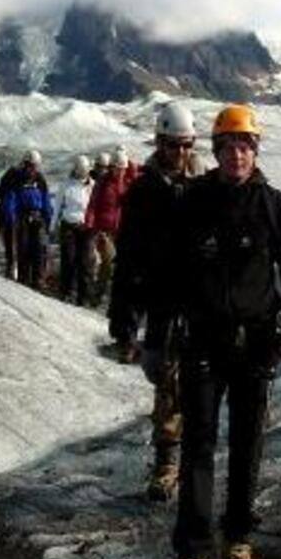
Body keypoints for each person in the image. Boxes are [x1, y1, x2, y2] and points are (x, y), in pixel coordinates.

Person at [149, 103, 281, 559]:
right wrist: (156, 340)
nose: (237, 156)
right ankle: (193, 554)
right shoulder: (192, 203)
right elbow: (168, 279)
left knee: (247, 444)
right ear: (216, 151)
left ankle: (239, 539)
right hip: (203, 342)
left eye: (245, 146)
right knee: (199, 445)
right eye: (228, 147)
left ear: (255, 151)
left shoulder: (276, 208)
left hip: (257, 345)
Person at [110, 102, 200, 502]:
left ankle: (194, 459)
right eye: (173, 145)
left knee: (201, 384)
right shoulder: (143, 192)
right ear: (159, 143)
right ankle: (167, 462)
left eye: (186, 145)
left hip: (202, 302)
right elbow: (128, 258)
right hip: (163, 301)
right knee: (166, 381)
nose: (180, 153)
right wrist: (125, 321)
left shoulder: (206, 186)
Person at [84, 145, 136, 312]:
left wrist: (129, 163)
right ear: (112, 167)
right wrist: (90, 224)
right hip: (104, 231)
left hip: (122, 231)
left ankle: (112, 300)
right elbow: (93, 204)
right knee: (108, 263)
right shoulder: (103, 183)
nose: (120, 172)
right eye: (117, 169)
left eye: (123, 169)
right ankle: (97, 297)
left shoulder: (127, 182)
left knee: (120, 267)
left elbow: (138, 174)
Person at [0, 149, 46, 281]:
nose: (34, 169)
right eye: (32, 166)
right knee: (20, 250)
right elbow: (7, 199)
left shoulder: (39, 178)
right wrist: (7, 218)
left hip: (36, 217)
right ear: (25, 164)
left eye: (36, 166)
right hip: (18, 218)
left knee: (38, 251)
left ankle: (37, 280)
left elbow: (45, 197)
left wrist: (47, 216)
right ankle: (20, 277)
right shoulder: (13, 176)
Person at [52, 155, 95, 303]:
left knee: (84, 262)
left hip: (86, 228)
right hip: (68, 226)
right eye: (80, 170)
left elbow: (95, 207)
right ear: (76, 169)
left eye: (85, 170)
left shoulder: (93, 185)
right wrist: (53, 226)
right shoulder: (66, 184)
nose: (83, 173)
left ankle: (83, 297)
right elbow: (57, 206)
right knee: (68, 260)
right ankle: (66, 292)